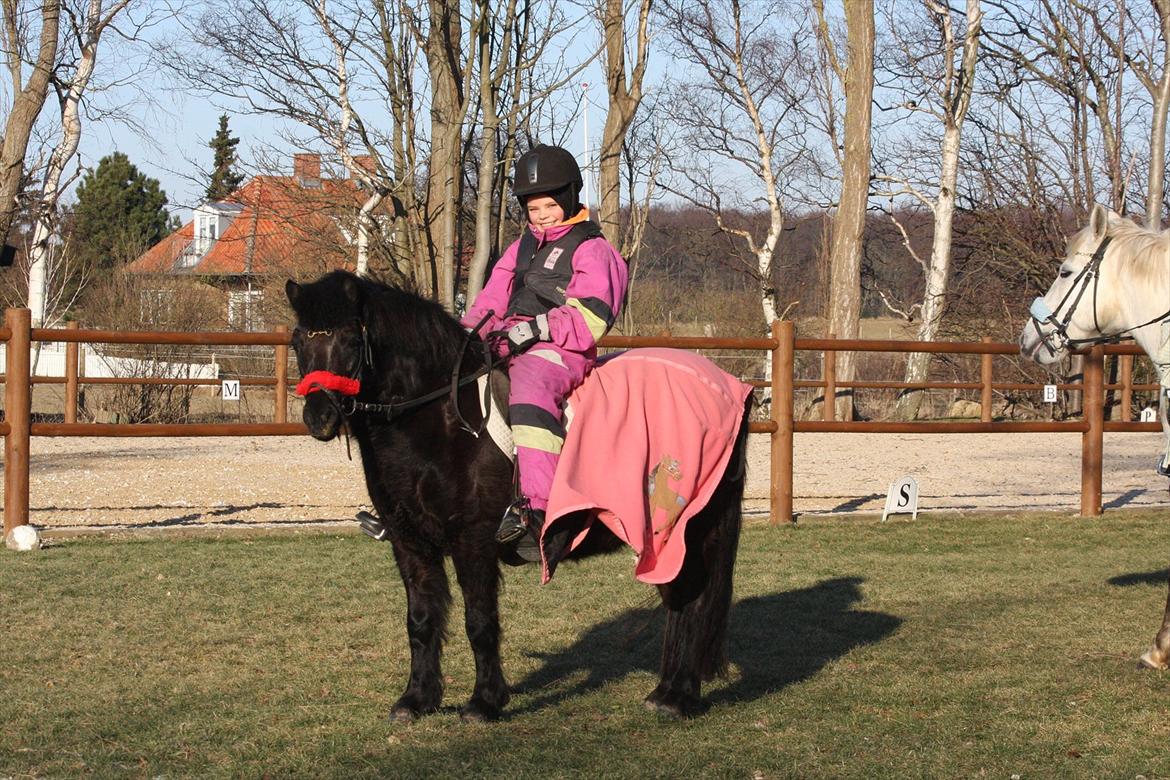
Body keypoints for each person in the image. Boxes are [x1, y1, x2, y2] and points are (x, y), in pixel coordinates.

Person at [463, 144, 628, 548]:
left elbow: (590, 320)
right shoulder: (520, 249)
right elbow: (489, 302)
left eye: (549, 207)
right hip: (509, 344)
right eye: (533, 209)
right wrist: (465, 336)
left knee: (531, 384)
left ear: (570, 198)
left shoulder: (592, 248)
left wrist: (534, 329)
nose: (541, 216)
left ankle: (539, 508)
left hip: (559, 350)